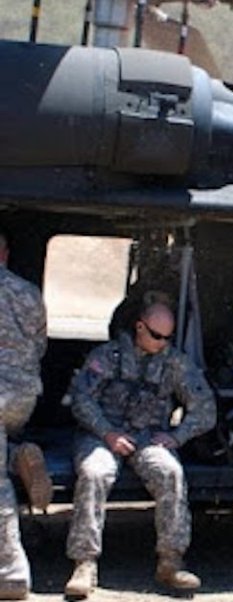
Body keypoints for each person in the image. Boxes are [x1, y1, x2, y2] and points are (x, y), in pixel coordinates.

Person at [64, 303, 216, 598]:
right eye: (157, 336)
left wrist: (177, 436)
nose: (162, 343)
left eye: (168, 338)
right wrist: (107, 433)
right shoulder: (107, 357)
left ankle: (171, 562)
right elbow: (81, 399)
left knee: (170, 472)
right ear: (140, 327)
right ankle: (84, 563)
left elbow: (205, 408)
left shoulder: (175, 363)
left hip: (147, 438)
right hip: (101, 435)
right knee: (95, 473)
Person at [0, 227, 50, 600]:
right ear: (4, 255)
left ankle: (11, 570)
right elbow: (40, 346)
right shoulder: (29, 292)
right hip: (21, 399)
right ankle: (17, 455)